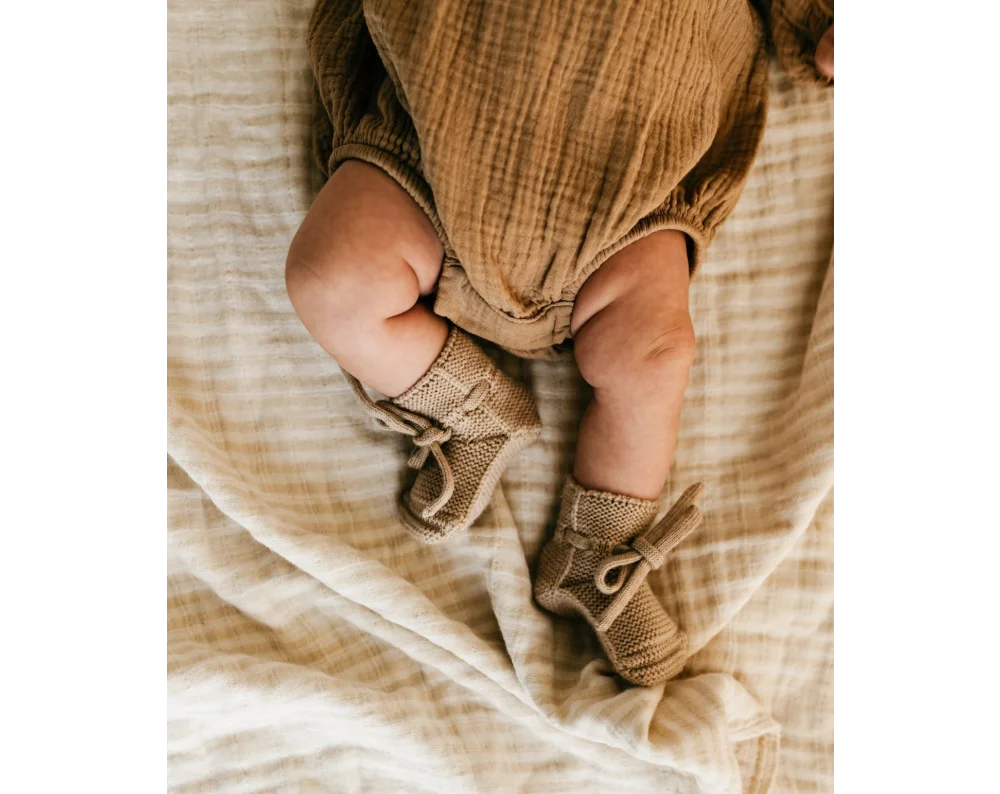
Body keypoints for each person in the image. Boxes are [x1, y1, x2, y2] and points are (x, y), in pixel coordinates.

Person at [285, 0, 834, 686]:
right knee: (332, 276)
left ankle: (593, 548)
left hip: (632, 191)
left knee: (654, 355)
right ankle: (471, 408)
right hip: (432, 141)